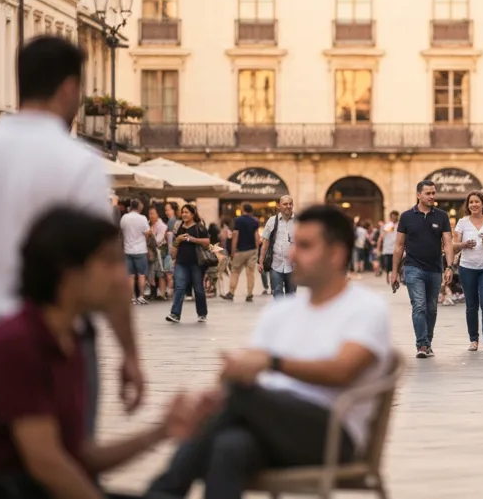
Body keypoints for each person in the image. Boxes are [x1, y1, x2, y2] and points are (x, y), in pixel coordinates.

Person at [0, 36, 143, 434]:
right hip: (57, 351)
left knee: (0, 476)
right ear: (68, 88)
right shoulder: (80, 164)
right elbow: (109, 269)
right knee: (64, 470)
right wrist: (130, 354)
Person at [0, 208, 204, 499]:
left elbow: (79, 457)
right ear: (68, 273)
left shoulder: (69, 340)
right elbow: (47, 464)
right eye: (107, 263)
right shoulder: (17, 344)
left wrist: (161, 431)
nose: (119, 277)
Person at [148, 205, 391, 499]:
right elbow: (254, 371)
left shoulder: (365, 308)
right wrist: (237, 372)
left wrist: (271, 363)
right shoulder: (280, 311)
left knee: (238, 398)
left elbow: (342, 371)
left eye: (304, 246)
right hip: (266, 426)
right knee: (230, 446)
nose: (290, 255)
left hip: (330, 435)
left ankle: (163, 491)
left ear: (337, 254)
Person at [392, 180, 455, 359]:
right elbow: (399, 246)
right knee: (419, 306)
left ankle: (428, 341)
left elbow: (448, 242)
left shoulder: (441, 216)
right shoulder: (406, 217)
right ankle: (422, 344)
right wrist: (395, 272)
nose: (432, 196)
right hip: (413, 268)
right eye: (428, 193)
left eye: (433, 193)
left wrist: (449, 266)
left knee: (432, 308)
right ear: (418, 195)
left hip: (435, 268)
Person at [453, 191, 483, 352]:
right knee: (471, 305)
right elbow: (454, 245)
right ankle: (473, 340)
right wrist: (464, 244)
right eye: (471, 202)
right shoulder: (462, 222)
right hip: (467, 267)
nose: (474, 204)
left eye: (477, 201)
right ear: (468, 206)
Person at [166, 204, 211, 324]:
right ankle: (175, 314)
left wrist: (193, 239)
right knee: (179, 287)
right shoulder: (178, 227)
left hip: (197, 263)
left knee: (198, 289)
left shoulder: (199, 227)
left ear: (192, 214)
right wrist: (178, 240)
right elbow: (174, 246)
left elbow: (207, 242)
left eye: (186, 212)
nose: (184, 214)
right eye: (183, 212)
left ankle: (202, 313)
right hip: (181, 262)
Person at [258, 195, 296, 298]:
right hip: (276, 265)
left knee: (291, 297)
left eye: (290, 204)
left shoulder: (298, 221)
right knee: (277, 296)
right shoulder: (272, 221)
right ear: (279, 206)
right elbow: (265, 242)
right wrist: (261, 261)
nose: (288, 206)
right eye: (285, 204)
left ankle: (289, 314)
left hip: (293, 267)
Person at [224, 203, 261, 302]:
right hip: (252, 250)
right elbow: (257, 236)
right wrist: (256, 249)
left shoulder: (238, 220)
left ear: (243, 209)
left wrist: (232, 250)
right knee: (250, 273)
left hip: (240, 250)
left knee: (235, 272)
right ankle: (249, 294)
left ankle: (231, 293)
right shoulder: (255, 221)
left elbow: (235, 235)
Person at [120, 199, 152, 305]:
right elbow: (147, 233)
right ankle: (141, 296)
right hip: (140, 249)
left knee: (130, 275)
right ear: (139, 206)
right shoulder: (142, 218)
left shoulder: (124, 217)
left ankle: (132, 297)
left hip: (127, 249)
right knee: (141, 275)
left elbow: (122, 230)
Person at [378, 210, 399, 286]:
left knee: (397, 263)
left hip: (397, 248)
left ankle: (396, 278)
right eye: (392, 217)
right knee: (388, 264)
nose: (394, 218)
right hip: (388, 248)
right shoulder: (387, 225)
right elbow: (381, 237)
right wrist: (378, 248)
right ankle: (387, 277)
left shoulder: (399, 225)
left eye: (395, 217)